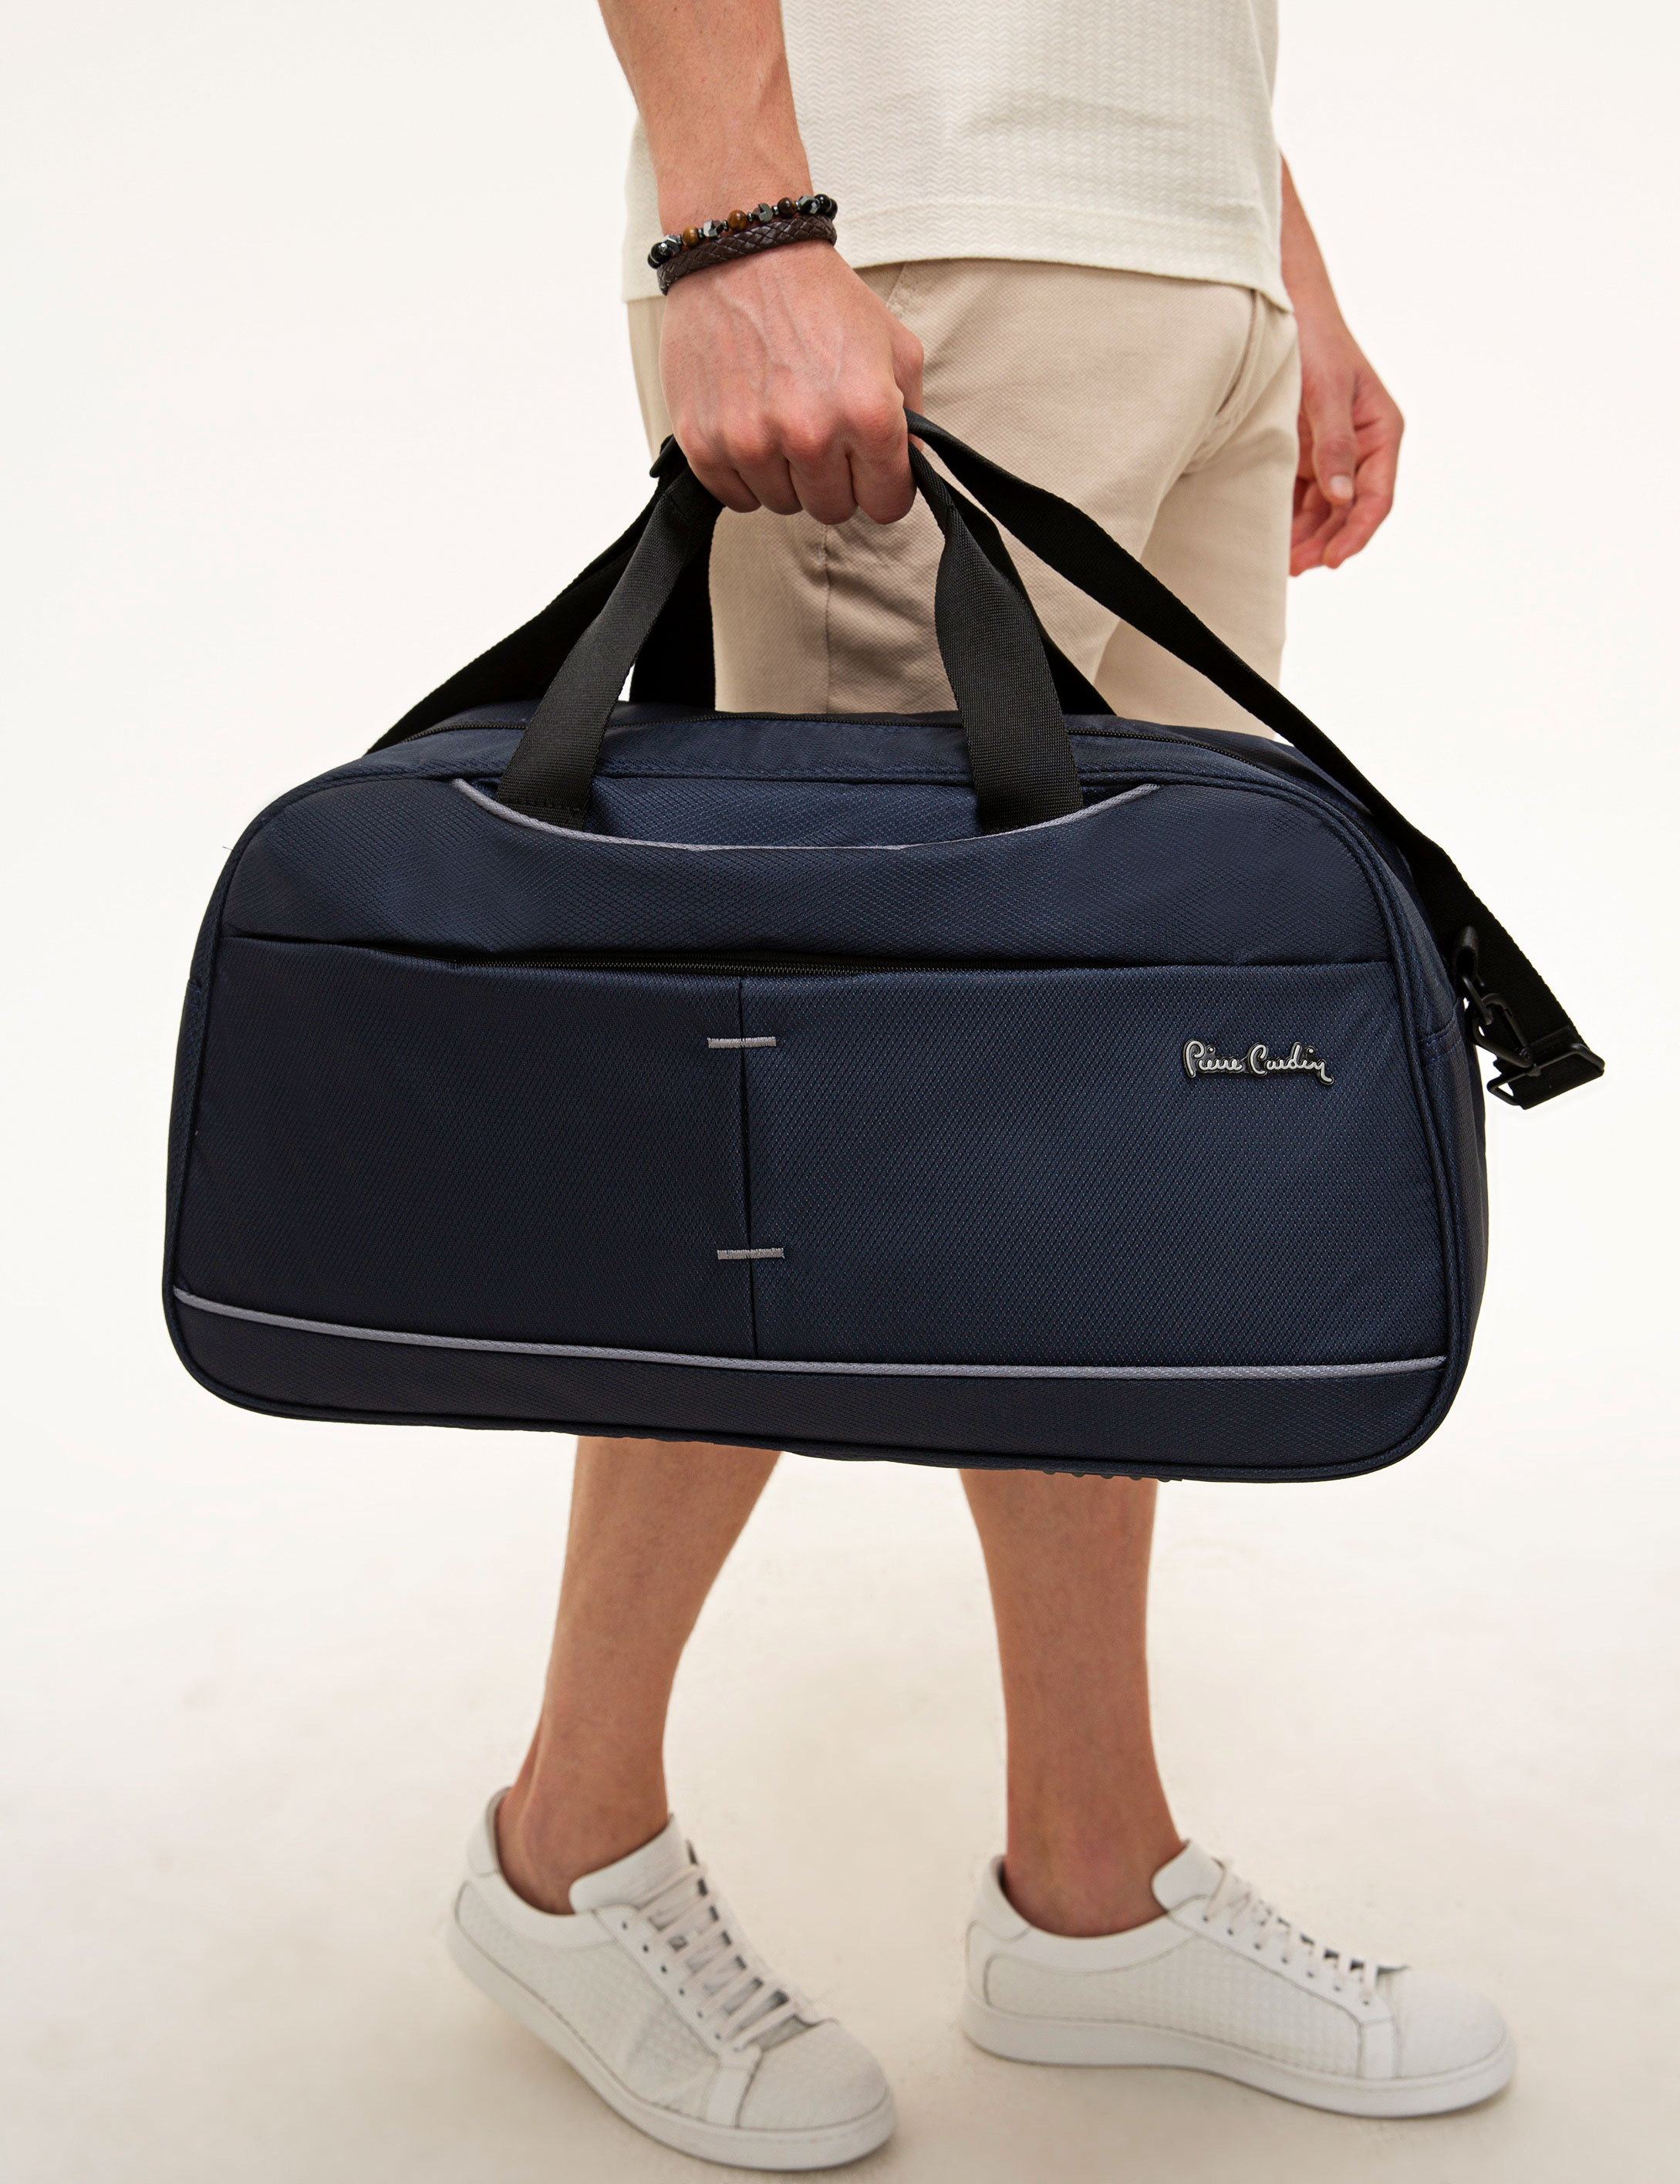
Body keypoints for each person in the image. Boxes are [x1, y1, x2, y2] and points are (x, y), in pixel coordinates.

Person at [444, 1, 1515, 2165]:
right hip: (910, 254)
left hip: (1176, 269)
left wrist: (1274, 267)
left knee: (1102, 1115)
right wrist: (738, 225)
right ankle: (563, 1853)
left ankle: (1090, 1888)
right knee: (808, 1127)